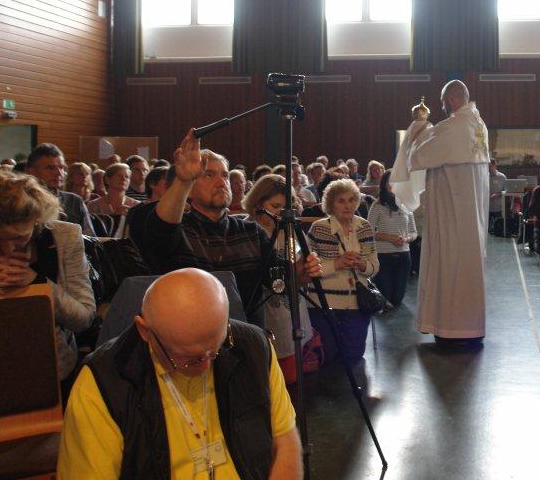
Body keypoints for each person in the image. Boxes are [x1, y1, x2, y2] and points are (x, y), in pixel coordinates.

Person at [56, 268, 303, 480]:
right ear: (145, 331)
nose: (206, 366)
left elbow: (286, 445)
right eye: (189, 359)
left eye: (215, 350)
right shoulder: (105, 381)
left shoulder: (251, 347)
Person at [142, 131, 322, 327]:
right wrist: (183, 181)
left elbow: (277, 280)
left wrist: (301, 273)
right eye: (209, 175)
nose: (221, 182)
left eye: (225, 175)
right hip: (189, 332)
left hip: (244, 335)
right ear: (190, 189)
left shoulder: (251, 232)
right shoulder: (180, 229)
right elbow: (161, 228)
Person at [0, 171, 94, 380]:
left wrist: (38, 283)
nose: (7, 249)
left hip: (52, 364)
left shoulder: (65, 237)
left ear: (37, 222)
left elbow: (84, 318)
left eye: (19, 238)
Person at [394, 79, 490, 344]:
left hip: (452, 213)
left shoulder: (454, 126)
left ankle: (450, 327)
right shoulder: (478, 124)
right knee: (467, 265)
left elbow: (419, 156)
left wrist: (418, 129)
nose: (443, 107)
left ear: (450, 100)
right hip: (472, 216)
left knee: (449, 261)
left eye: (443, 102)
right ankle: (469, 327)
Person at [241, 174, 317, 383]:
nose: (281, 213)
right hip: (262, 313)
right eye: (275, 206)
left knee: (291, 378)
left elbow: (300, 274)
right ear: (258, 203)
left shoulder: (290, 232)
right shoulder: (246, 231)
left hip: (290, 313)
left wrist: (308, 269)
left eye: (285, 207)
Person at [307, 179, 379, 362]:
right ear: (330, 204)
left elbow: (374, 266)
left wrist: (363, 265)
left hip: (358, 304)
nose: (348, 205)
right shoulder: (319, 228)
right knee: (327, 357)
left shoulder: (364, 227)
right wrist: (336, 264)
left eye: (351, 200)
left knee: (354, 355)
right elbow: (308, 269)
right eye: (341, 201)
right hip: (323, 304)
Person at [366, 170, 417, 309]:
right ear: (384, 184)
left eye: (396, 181)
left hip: (403, 255)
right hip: (383, 255)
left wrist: (406, 238)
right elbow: (368, 231)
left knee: (397, 299)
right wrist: (389, 238)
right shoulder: (377, 205)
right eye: (390, 181)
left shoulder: (406, 204)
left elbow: (413, 232)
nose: (393, 184)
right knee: (386, 298)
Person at [27, 143, 95, 237]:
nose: (59, 173)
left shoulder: (74, 201)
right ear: (32, 171)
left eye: (62, 167)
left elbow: (90, 238)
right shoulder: (23, 202)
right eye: (51, 168)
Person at [87, 162, 140, 238]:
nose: (123, 179)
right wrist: (114, 216)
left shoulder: (136, 205)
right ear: (107, 179)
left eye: (127, 177)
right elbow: (90, 232)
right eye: (119, 176)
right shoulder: (93, 205)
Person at [488, 159, 508, 231]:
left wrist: (498, 195)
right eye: (487, 166)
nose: (489, 168)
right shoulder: (485, 176)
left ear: (495, 166)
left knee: (497, 229)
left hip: (498, 207)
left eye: (490, 166)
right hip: (487, 207)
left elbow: (506, 191)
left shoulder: (502, 177)